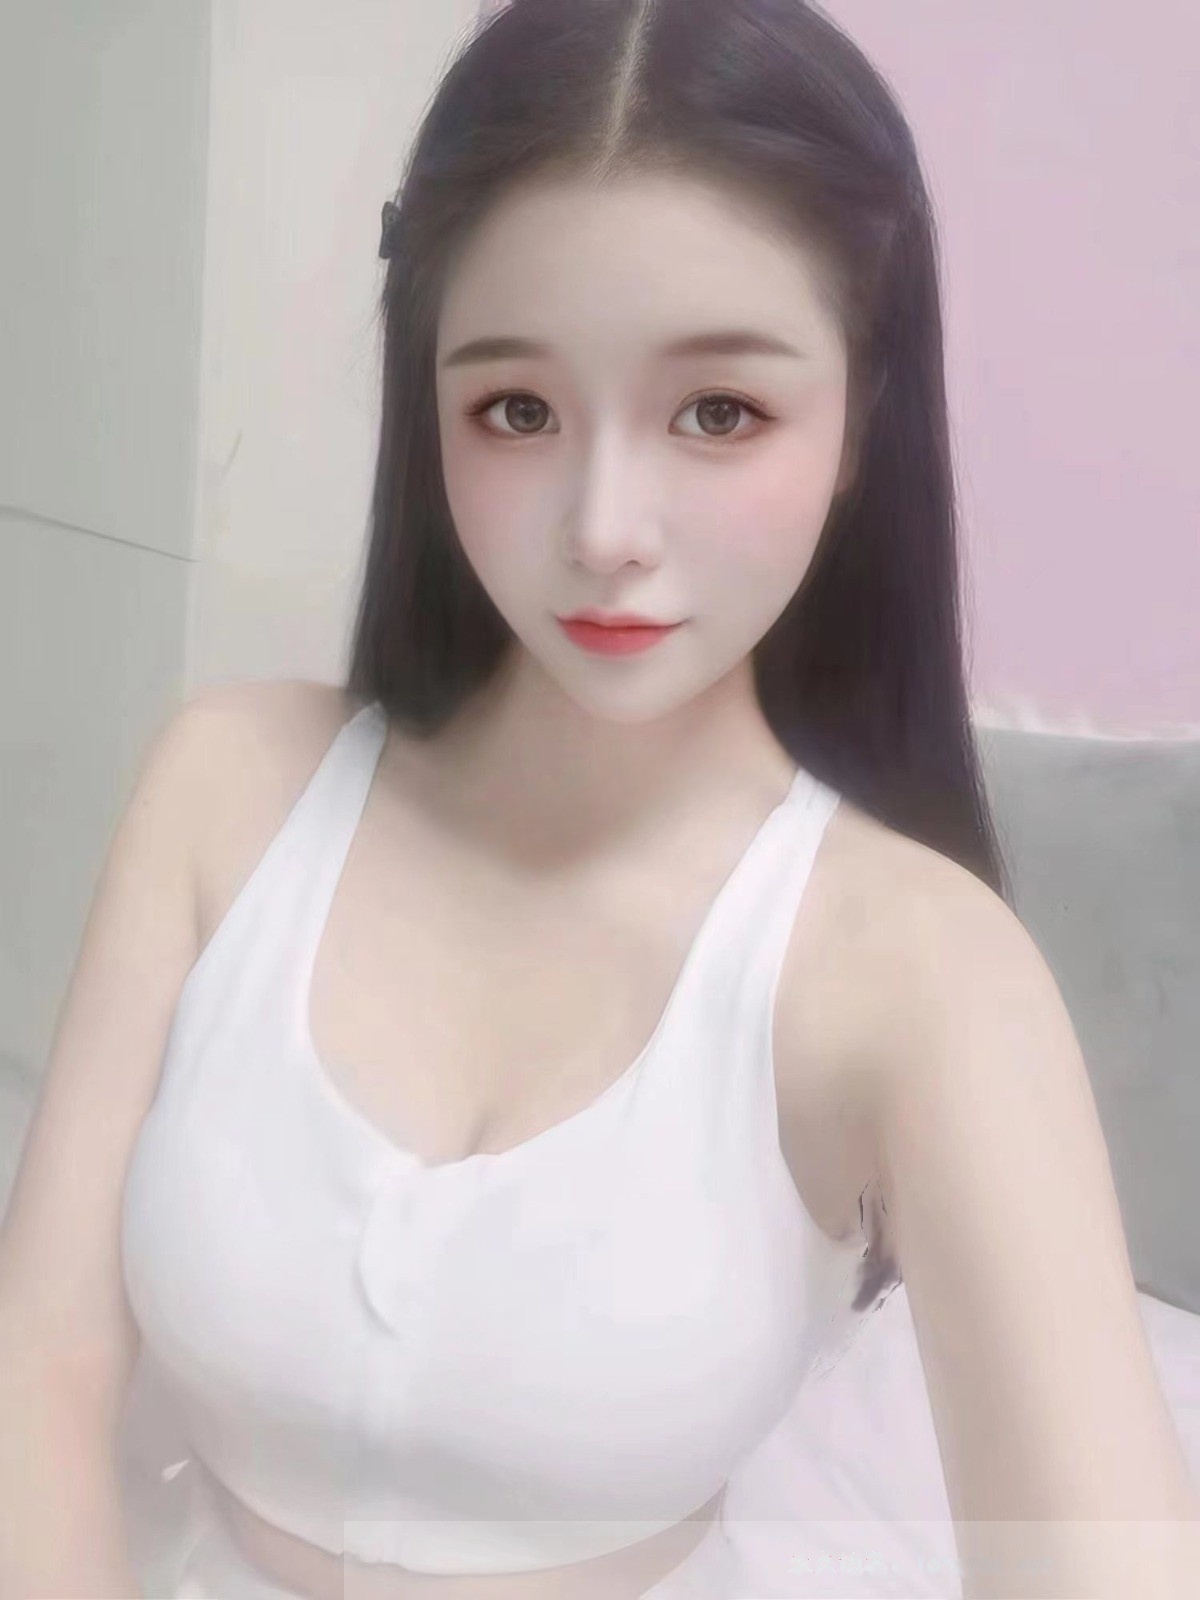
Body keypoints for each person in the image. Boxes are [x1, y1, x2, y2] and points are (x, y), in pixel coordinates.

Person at [2, 1, 1195, 1597]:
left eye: (719, 412)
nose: (605, 527)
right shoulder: (228, 785)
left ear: (862, 417)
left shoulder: (916, 969)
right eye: (518, 410)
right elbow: (44, 1364)